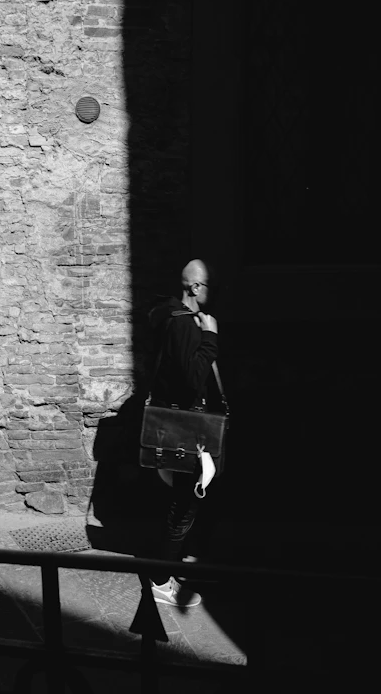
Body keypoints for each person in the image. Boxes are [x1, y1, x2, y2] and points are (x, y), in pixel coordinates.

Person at [144, 259, 219, 607]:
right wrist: (210, 339)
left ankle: (167, 568)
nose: (212, 293)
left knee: (178, 500)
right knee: (185, 504)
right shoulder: (187, 326)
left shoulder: (165, 317)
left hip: (168, 424)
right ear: (193, 288)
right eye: (207, 286)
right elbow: (192, 380)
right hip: (187, 428)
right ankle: (160, 581)